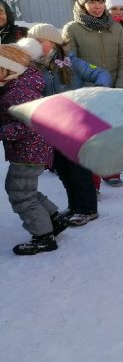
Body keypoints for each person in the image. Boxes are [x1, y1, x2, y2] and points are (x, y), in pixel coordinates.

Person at [17, 26, 111, 228]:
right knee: (62, 169)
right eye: (34, 41)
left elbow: (100, 74)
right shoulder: (30, 67)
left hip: (73, 124)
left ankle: (88, 209)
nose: (37, 44)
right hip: (49, 126)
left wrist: (97, 93)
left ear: (55, 43)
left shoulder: (71, 62)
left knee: (78, 169)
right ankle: (74, 206)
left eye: (41, 40)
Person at [0, 44, 69, 255]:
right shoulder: (18, 84)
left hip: (29, 151)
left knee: (20, 192)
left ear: (9, 68)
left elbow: (29, 123)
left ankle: (43, 237)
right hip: (32, 150)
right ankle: (53, 219)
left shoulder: (18, 91)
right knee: (25, 189)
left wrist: (3, 131)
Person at [63, 0, 123, 188]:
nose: (97, 6)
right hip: (87, 89)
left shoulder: (115, 27)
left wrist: (119, 85)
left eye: (100, 1)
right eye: (91, 1)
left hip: (112, 88)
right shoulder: (72, 29)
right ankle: (91, 181)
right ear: (82, 4)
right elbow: (70, 62)